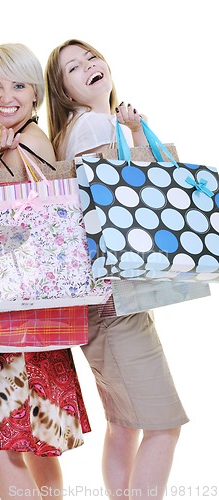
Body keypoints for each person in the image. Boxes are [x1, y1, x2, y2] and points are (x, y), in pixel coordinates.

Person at [45, 39, 189, 500]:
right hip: (116, 299)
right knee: (164, 426)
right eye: (73, 67)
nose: (89, 66)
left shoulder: (74, 130)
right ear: (64, 90)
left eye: (91, 58)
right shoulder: (95, 125)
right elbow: (122, 198)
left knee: (125, 424)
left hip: (99, 298)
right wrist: (132, 134)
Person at [0, 43, 91, 500]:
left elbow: (4, 229)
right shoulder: (14, 140)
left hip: (21, 317)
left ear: (36, 93)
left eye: (19, 84)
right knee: (40, 446)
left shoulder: (28, 141)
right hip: (32, 313)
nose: (6, 95)